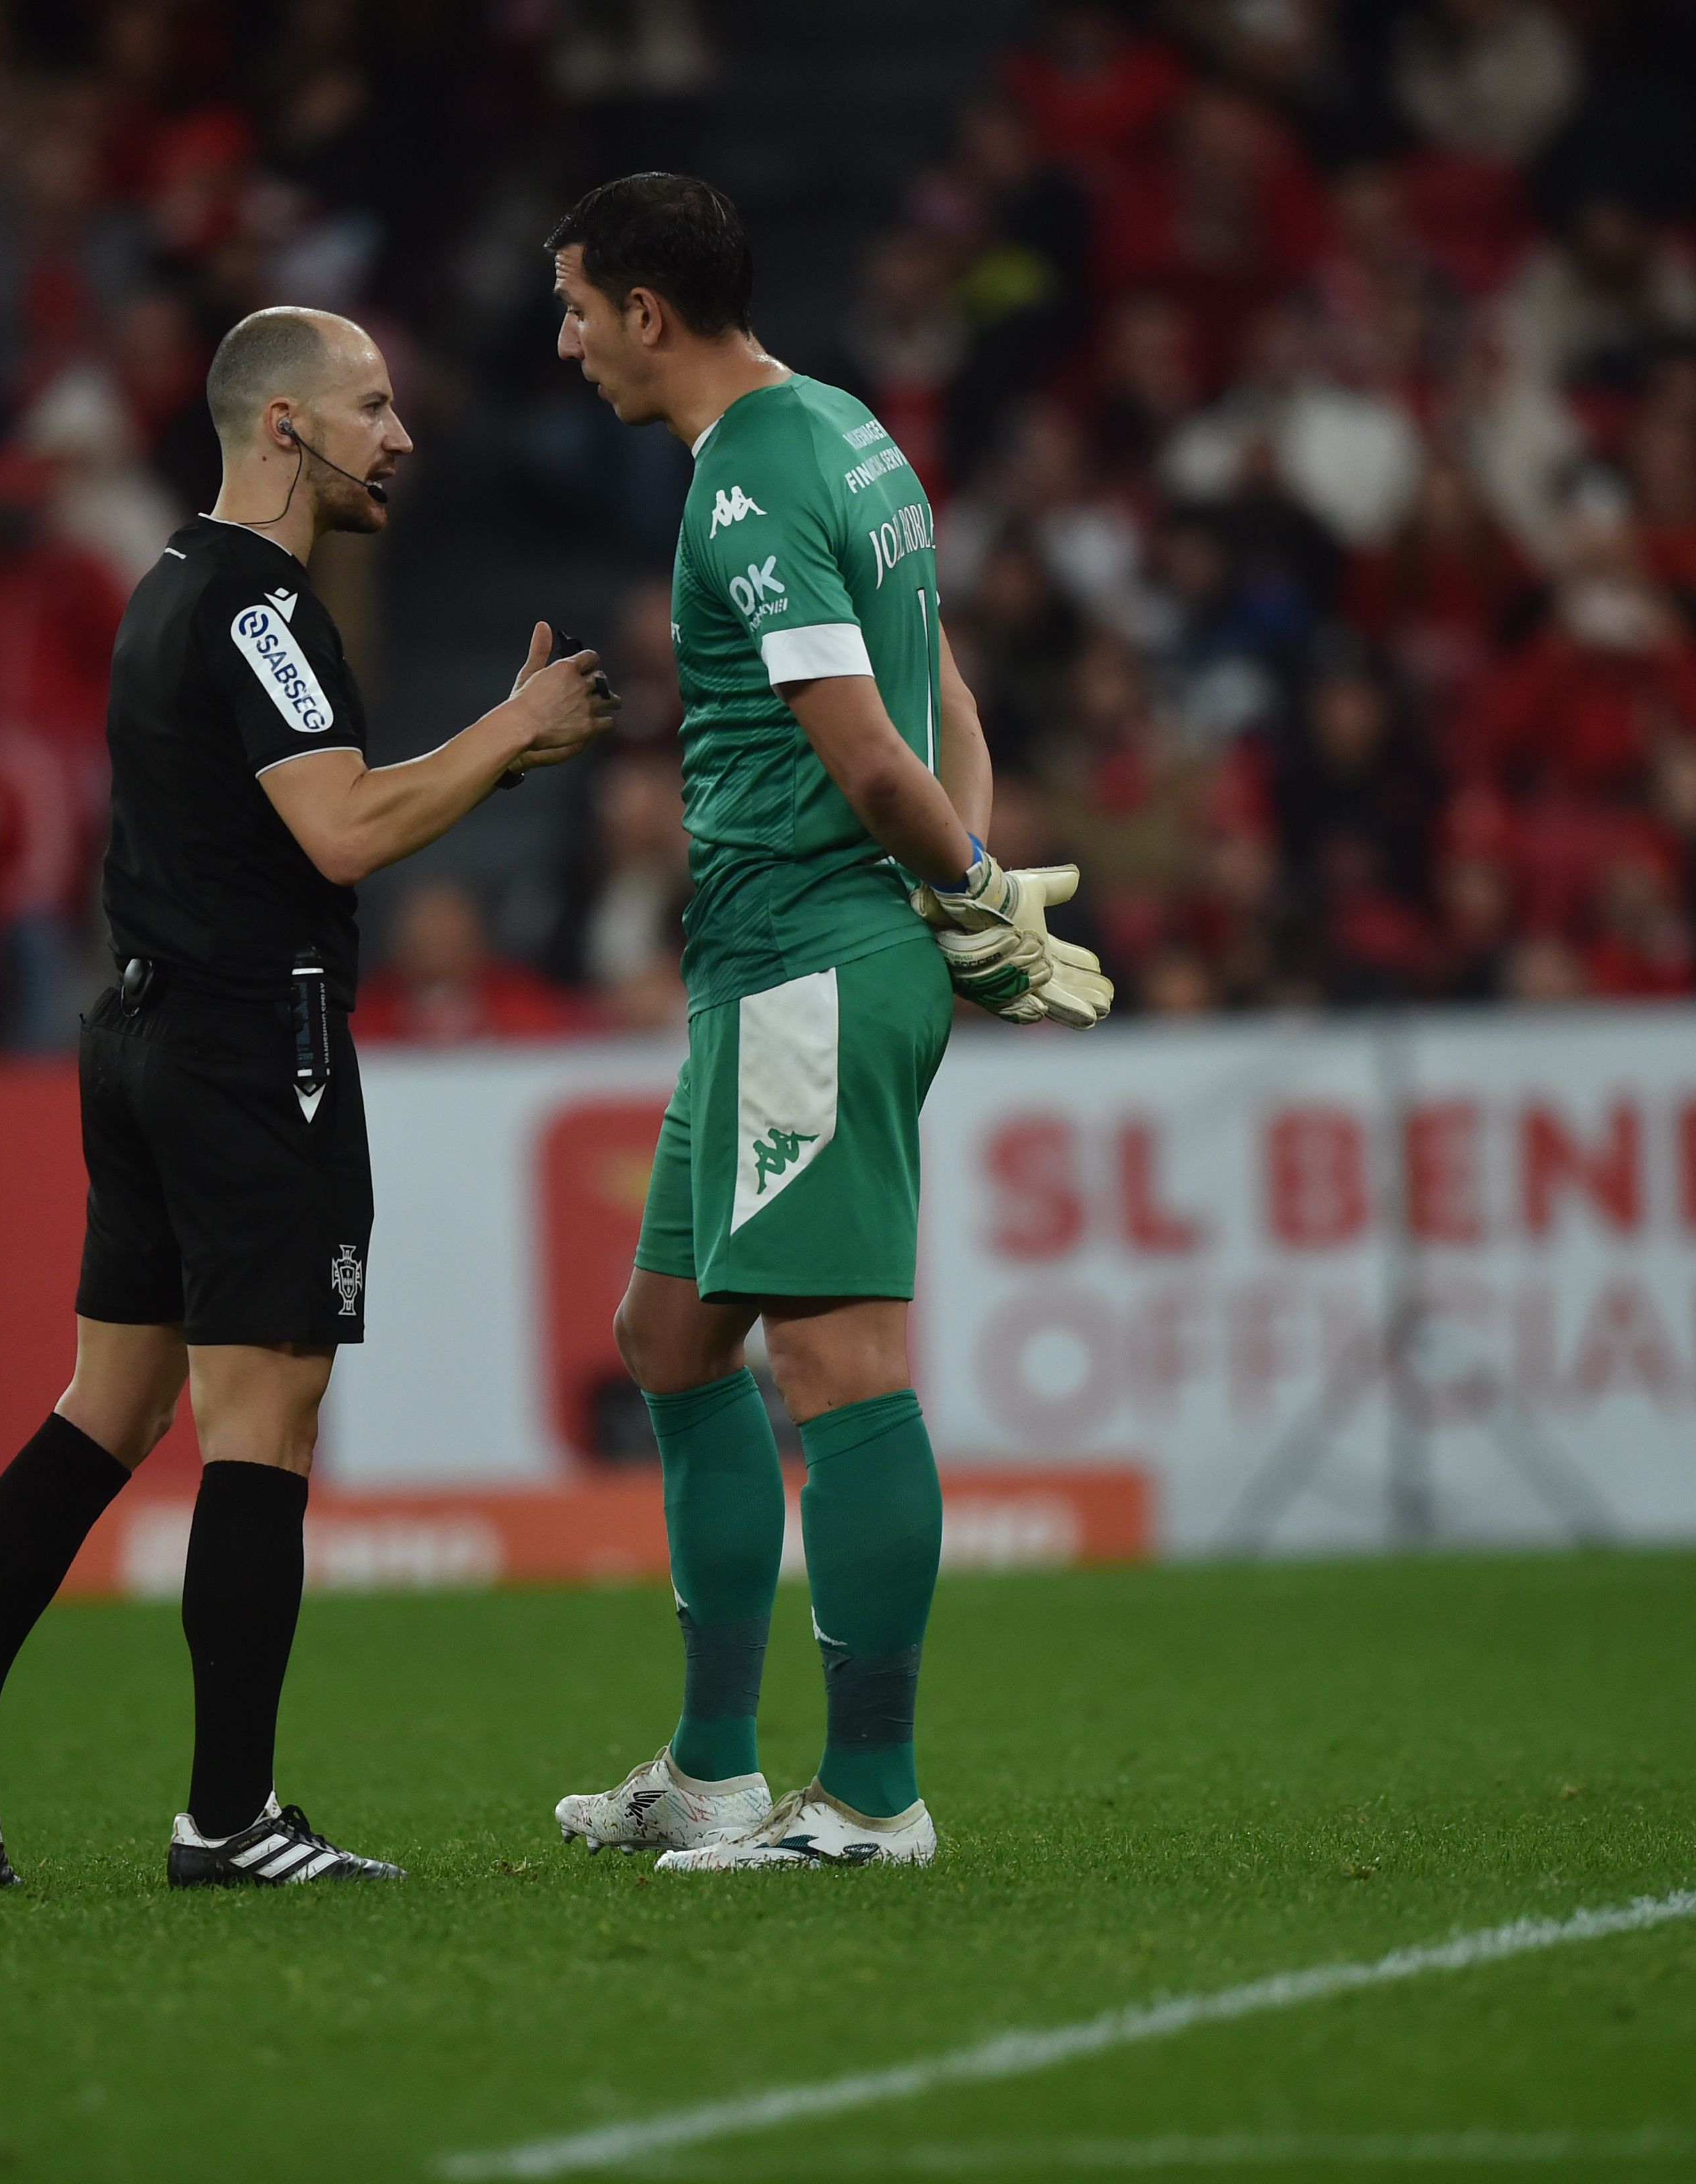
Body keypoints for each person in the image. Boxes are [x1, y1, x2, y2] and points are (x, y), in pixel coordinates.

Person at [0, 306, 619, 1891]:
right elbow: (340, 832)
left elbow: (289, 816)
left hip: (142, 1034)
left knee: (108, 1409)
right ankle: (228, 1815)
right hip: (242, 1050)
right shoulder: (264, 610)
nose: (399, 434)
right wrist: (509, 730)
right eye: (370, 403)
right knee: (259, 1425)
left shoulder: (163, 585)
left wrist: (482, 757)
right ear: (283, 426)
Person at [541, 173, 1110, 1874]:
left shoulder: (743, 486)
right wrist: (971, 878)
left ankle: (871, 1795)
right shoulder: (849, 430)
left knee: (837, 1365)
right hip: (776, 967)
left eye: (576, 305)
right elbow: (944, 698)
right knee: (668, 1333)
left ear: (649, 310)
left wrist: (963, 889)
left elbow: (872, 752)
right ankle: (715, 1768)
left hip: (807, 959)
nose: (563, 343)